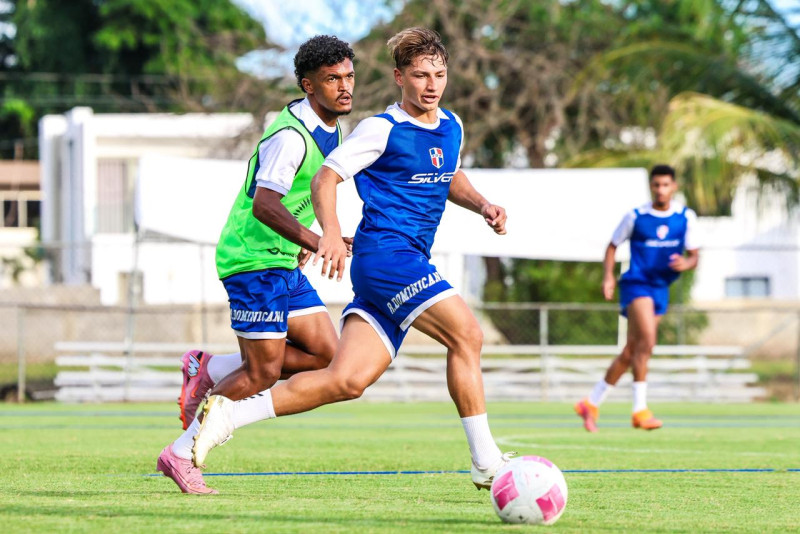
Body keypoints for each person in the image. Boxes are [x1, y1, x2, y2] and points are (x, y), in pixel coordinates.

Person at [192, 27, 516, 491]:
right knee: (467, 334)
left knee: (345, 380)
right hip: (388, 260)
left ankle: (228, 416)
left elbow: (449, 173)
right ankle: (486, 462)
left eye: (439, 75)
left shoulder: (452, 125)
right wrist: (327, 234)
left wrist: (483, 204)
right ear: (399, 77)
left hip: (401, 265)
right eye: (420, 75)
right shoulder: (380, 129)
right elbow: (324, 178)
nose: (432, 85)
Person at [156, 35, 356, 494]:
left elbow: (302, 196)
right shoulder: (290, 138)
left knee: (326, 355)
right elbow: (266, 205)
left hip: (282, 260)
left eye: (348, 76)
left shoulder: (331, 130)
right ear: (308, 85)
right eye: (332, 79)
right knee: (262, 372)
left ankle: (208, 369)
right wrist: (317, 241)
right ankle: (181, 453)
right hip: (251, 260)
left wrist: (312, 239)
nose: (345, 87)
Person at [575, 164, 699, 432]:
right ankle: (639, 411)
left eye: (665, 185)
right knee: (648, 342)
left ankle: (591, 403)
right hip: (637, 284)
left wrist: (686, 263)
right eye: (656, 185)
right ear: (651, 187)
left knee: (633, 351)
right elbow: (612, 245)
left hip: (661, 288)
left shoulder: (685, 217)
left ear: (674, 187)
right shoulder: (636, 216)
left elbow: (694, 256)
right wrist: (608, 277)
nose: (661, 190)